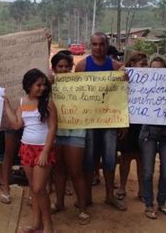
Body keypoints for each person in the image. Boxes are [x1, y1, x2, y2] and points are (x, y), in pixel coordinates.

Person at [74, 32, 127, 211]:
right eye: (94, 44)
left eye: (101, 44)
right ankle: (87, 196)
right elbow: (74, 94)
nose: (98, 48)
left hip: (110, 122)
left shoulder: (115, 66)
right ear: (91, 45)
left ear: (107, 45)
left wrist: (122, 122)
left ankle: (110, 196)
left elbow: (122, 96)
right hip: (88, 122)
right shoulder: (82, 66)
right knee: (88, 161)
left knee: (110, 160)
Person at [4, 68, 57, 233]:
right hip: (26, 148)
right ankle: (36, 223)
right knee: (33, 188)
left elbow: (53, 127)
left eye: (44, 85)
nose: (42, 88)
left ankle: (48, 225)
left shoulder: (47, 103)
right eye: (38, 85)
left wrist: (45, 152)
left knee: (38, 188)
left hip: (43, 149)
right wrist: (6, 105)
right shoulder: (22, 102)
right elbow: (16, 124)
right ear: (28, 86)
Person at [51, 50, 90, 225]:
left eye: (67, 66)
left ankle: (82, 209)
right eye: (60, 66)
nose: (64, 69)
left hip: (76, 131)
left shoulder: (81, 84)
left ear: (72, 67)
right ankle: (59, 203)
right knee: (58, 171)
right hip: (56, 132)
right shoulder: (48, 85)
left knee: (75, 171)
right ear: (54, 68)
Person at [140, 55, 166, 219]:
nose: (157, 73)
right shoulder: (143, 86)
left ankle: (161, 203)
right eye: (153, 69)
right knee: (147, 172)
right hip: (149, 133)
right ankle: (149, 205)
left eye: (160, 70)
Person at [116, 51, 148, 202]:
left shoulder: (151, 80)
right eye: (142, 64)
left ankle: (142, 190)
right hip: (128, 123)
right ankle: (122, 187)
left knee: (142, 158)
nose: (145, 67)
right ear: (133, 64)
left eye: (146, 64)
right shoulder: (124, 77)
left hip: (144, 124)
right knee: (126, 158)